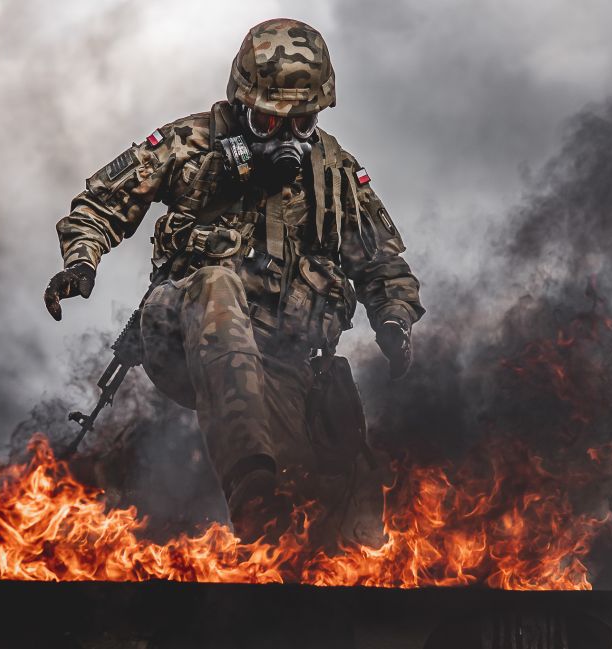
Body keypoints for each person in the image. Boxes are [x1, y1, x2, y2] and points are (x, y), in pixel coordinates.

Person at [44, 18, 424, 541]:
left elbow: (383, 264)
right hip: (181, 333)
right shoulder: (191, 144)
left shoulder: (333, 172)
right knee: (216, 284)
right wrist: (82, 260)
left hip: (282, 369)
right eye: (269, 124)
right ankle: (252, 491)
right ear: (243, 102)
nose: (287, 141)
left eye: (302, 123)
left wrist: (395, 319)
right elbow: (101, 204)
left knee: (351, 519)